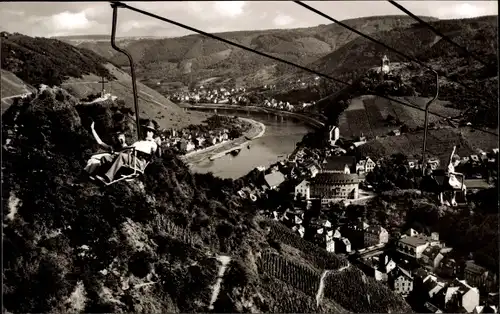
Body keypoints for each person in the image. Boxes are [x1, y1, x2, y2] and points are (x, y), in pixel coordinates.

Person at [96, 121, 161, 184]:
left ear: (153, 133)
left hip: (139, 162)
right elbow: (129, 149)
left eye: (149, 131)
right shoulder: (139, 142)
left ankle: (107, 178)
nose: (147, 133)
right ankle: (99, 176)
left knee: (122, 156)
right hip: (131, 158)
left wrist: (158, 144)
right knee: (106, 158)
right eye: (146, 130)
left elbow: (157, 153)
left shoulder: (153, 144)